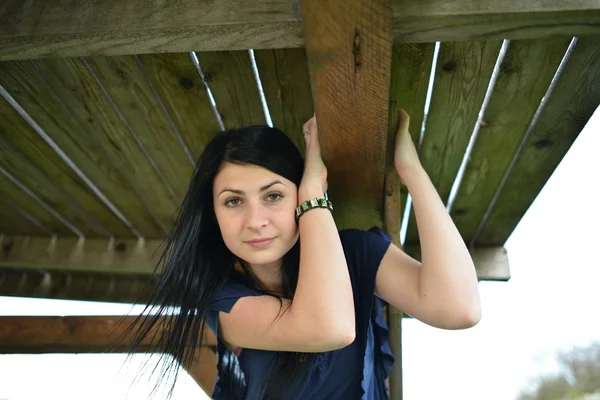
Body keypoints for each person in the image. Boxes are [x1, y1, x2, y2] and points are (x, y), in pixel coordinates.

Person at [129, 108, 482, 399]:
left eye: (273, 196)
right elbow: (331, 328)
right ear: (214, 213)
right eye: (234, 201)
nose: (255, 221)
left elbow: (458, 309)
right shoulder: (223, 296)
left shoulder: (356, 253)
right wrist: (314, 195)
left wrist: (412, 173)